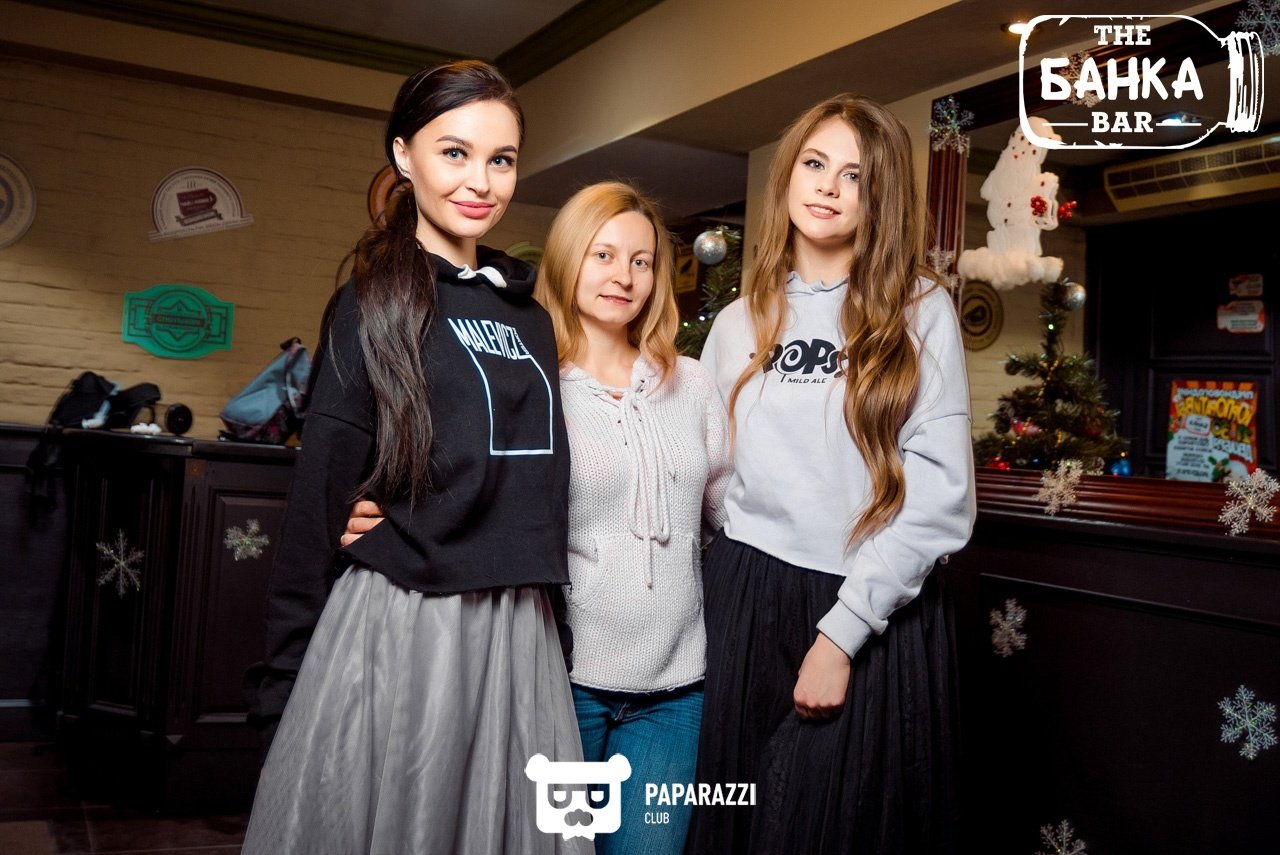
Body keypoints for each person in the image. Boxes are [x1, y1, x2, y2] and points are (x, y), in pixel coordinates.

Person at [243, 61, 589, 855]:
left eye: (501, 159)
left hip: (520, 630)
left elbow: (543, 484)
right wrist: (281, 690)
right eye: (454, 152)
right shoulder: (372, 301)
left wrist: (558, 630)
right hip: (410, 623)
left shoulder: (530, 316)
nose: (481, 181)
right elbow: (319, 503)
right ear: (404, 155)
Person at [345, 181, 732, 855]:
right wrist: (393, 523)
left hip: (677, 693)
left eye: (641, 261)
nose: (623, 276)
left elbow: (734, 513)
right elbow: (477, 492)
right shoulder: (531, 380)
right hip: (559, 682)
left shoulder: (693, 384)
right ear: (570, 258)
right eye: (604, 255)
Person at [684, 94, 976, 854]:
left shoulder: (920, 311)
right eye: (815, 163)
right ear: (788, 173)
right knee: (735, 818)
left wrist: (841, 636)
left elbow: (941, 499)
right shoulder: (738, 321)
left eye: (855, 176)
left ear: (880, 197)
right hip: (745, 595)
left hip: (866, 607)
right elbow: (707, 467)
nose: (828, 187)